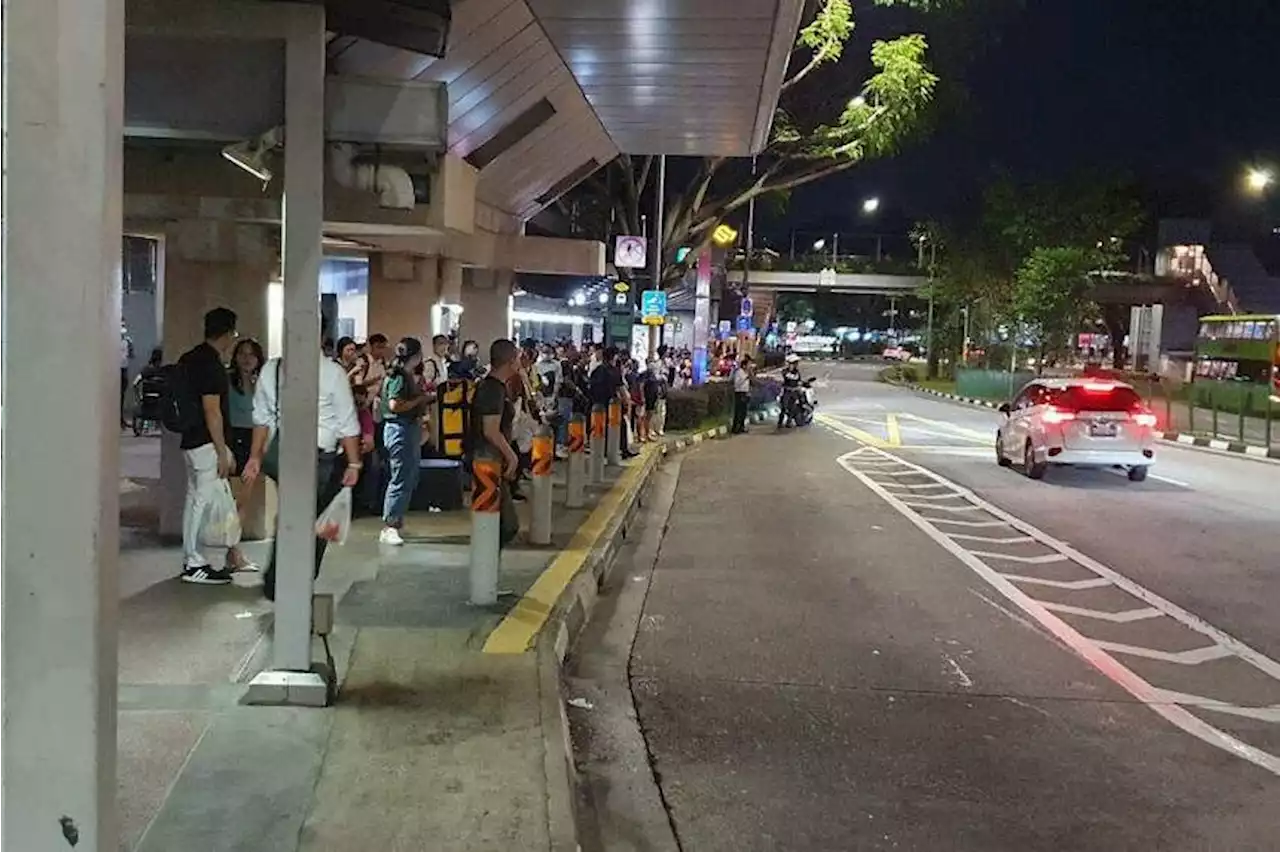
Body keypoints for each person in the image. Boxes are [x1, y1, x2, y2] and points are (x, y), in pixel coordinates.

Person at [241, 322, 363, 600]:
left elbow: (262, 418)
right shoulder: (332, 373)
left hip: (285, 456)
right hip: (320, 459)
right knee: (315, 523)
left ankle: (282, 580)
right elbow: (347, 423)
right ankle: (293, 582)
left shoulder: (272, 369)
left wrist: (256, 457)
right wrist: (354, 463)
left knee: (293, 516)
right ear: (321, 337)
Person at [177, 307, 242, 585]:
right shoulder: (211, 364)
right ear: (227, 333)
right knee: (200, 503)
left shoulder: (189, 358)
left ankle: (191, 557)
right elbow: (212, 411)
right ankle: (194, 562)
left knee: (194, 500)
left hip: (190, 441)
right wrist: (221, 450)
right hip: (204, 443)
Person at [470, 339, 522, 546]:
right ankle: (485, 568)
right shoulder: (493, 389)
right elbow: (490, 429)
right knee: (504, 524)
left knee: (501, 522)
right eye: (517, 358)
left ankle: (487, 566)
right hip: (488, 460)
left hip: (490, 459)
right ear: (510, 361)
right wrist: (512, 456)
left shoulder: (494, 386)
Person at [378, 337, 429, 546]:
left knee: (407, 477)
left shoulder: (403, 375)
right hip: (400, 429)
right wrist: (420, 399)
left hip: (406, 429)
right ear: (416, 356)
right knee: (400, 478)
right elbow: (394, 405)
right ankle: (390, 524)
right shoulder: (399, 377)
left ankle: (396, 520)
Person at [225, 338, 266, 573]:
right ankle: (233, 552)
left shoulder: (262, 383)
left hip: (254, 442)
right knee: (230, 502)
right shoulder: (228, 381)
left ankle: (234, 553)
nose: (247, 358)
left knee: (242, 502)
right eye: (242, 353)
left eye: (251, 354)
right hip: (233, 440)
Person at [778, 353, 804, 428]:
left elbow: (798, 381)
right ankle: (780, 422)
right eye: (795, 363)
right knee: (784, 407)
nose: (796, 364)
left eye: (796, 363)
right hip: (787, 392)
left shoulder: (797, 372)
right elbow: (787, 378)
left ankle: (788, 422)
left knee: (792, 408)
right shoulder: (785, 371)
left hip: (794, 392)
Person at [731, 354, 754, 435]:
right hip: (739, 393)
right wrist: (745, 378)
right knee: (738, 411)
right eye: (748, 365)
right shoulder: (739, 372)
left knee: (744, 411)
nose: (749, 366)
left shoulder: (747, 373)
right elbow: (736, 384)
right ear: (744, 365)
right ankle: (735, 428)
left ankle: (741, 427)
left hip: (745, 393)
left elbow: (751, 382)